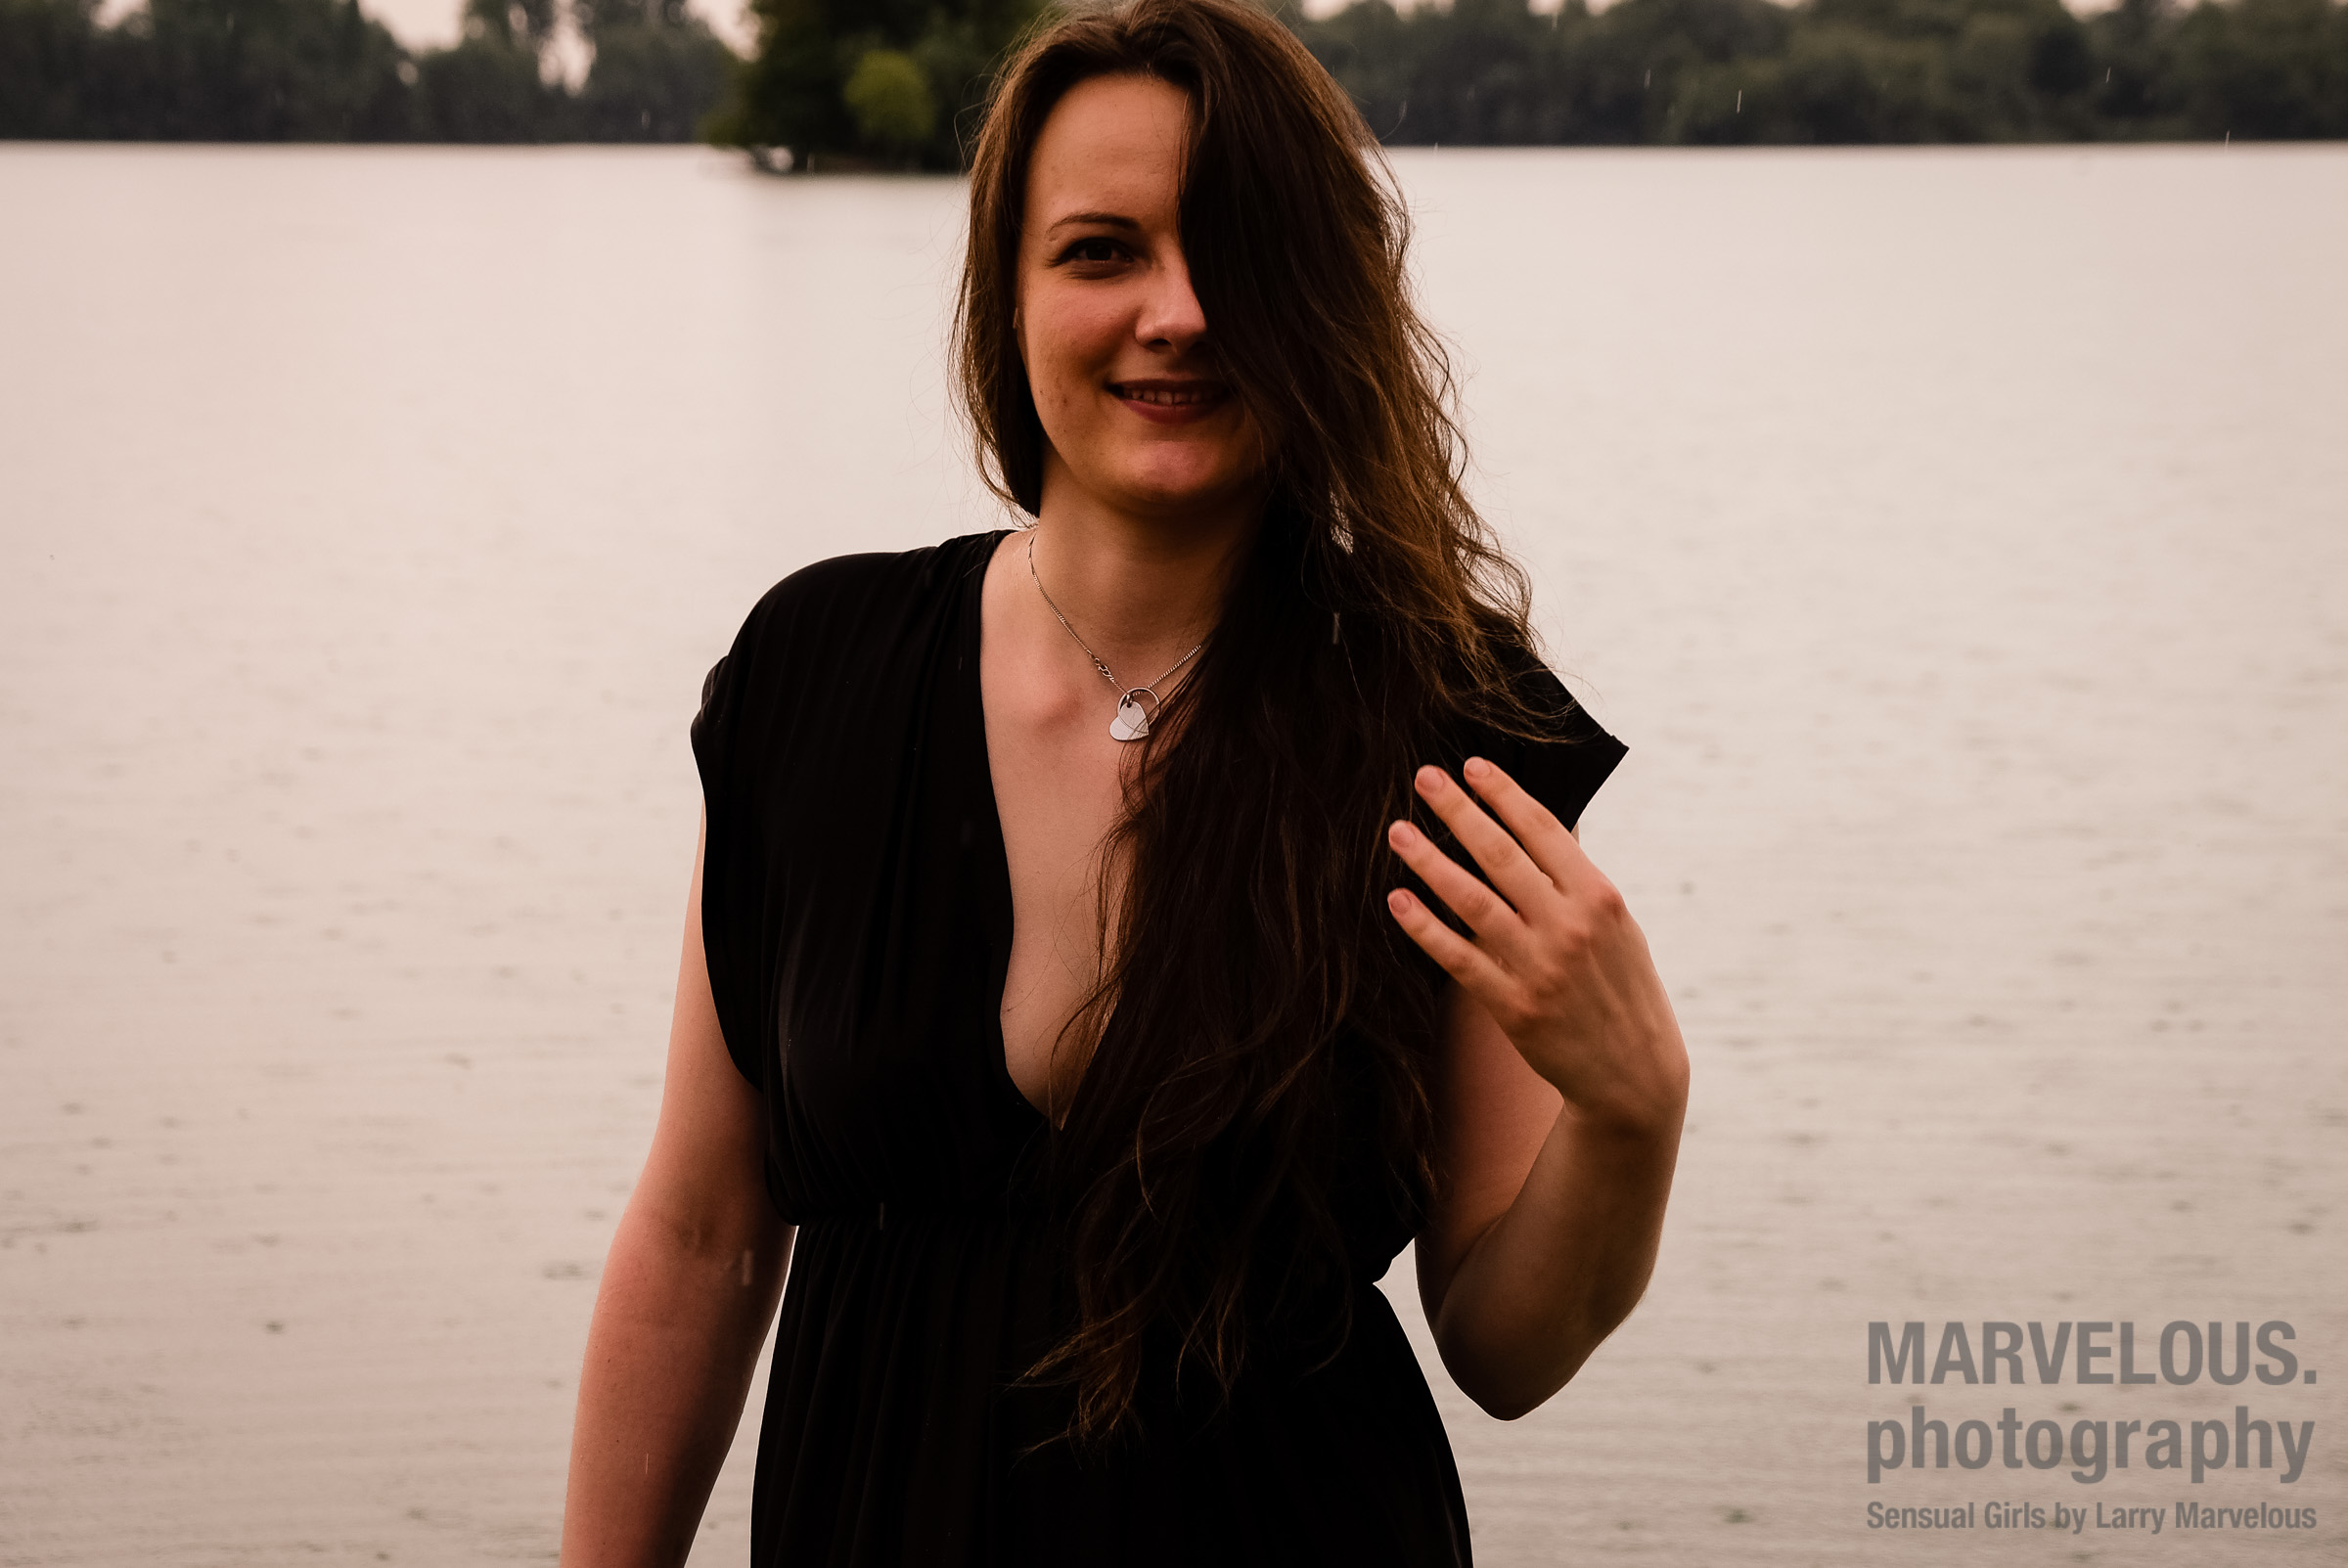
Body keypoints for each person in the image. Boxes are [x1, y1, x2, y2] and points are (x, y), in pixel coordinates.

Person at [558, 0, 1689, 1561]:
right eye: (1102, 251)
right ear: (1007, 296)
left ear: (1320, 292)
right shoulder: (812, 677)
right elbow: (700, 1239)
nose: (1180, 311)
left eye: (1235, 250)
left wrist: (1632, 1116)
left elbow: (1503, 1344)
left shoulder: (1441, 718)